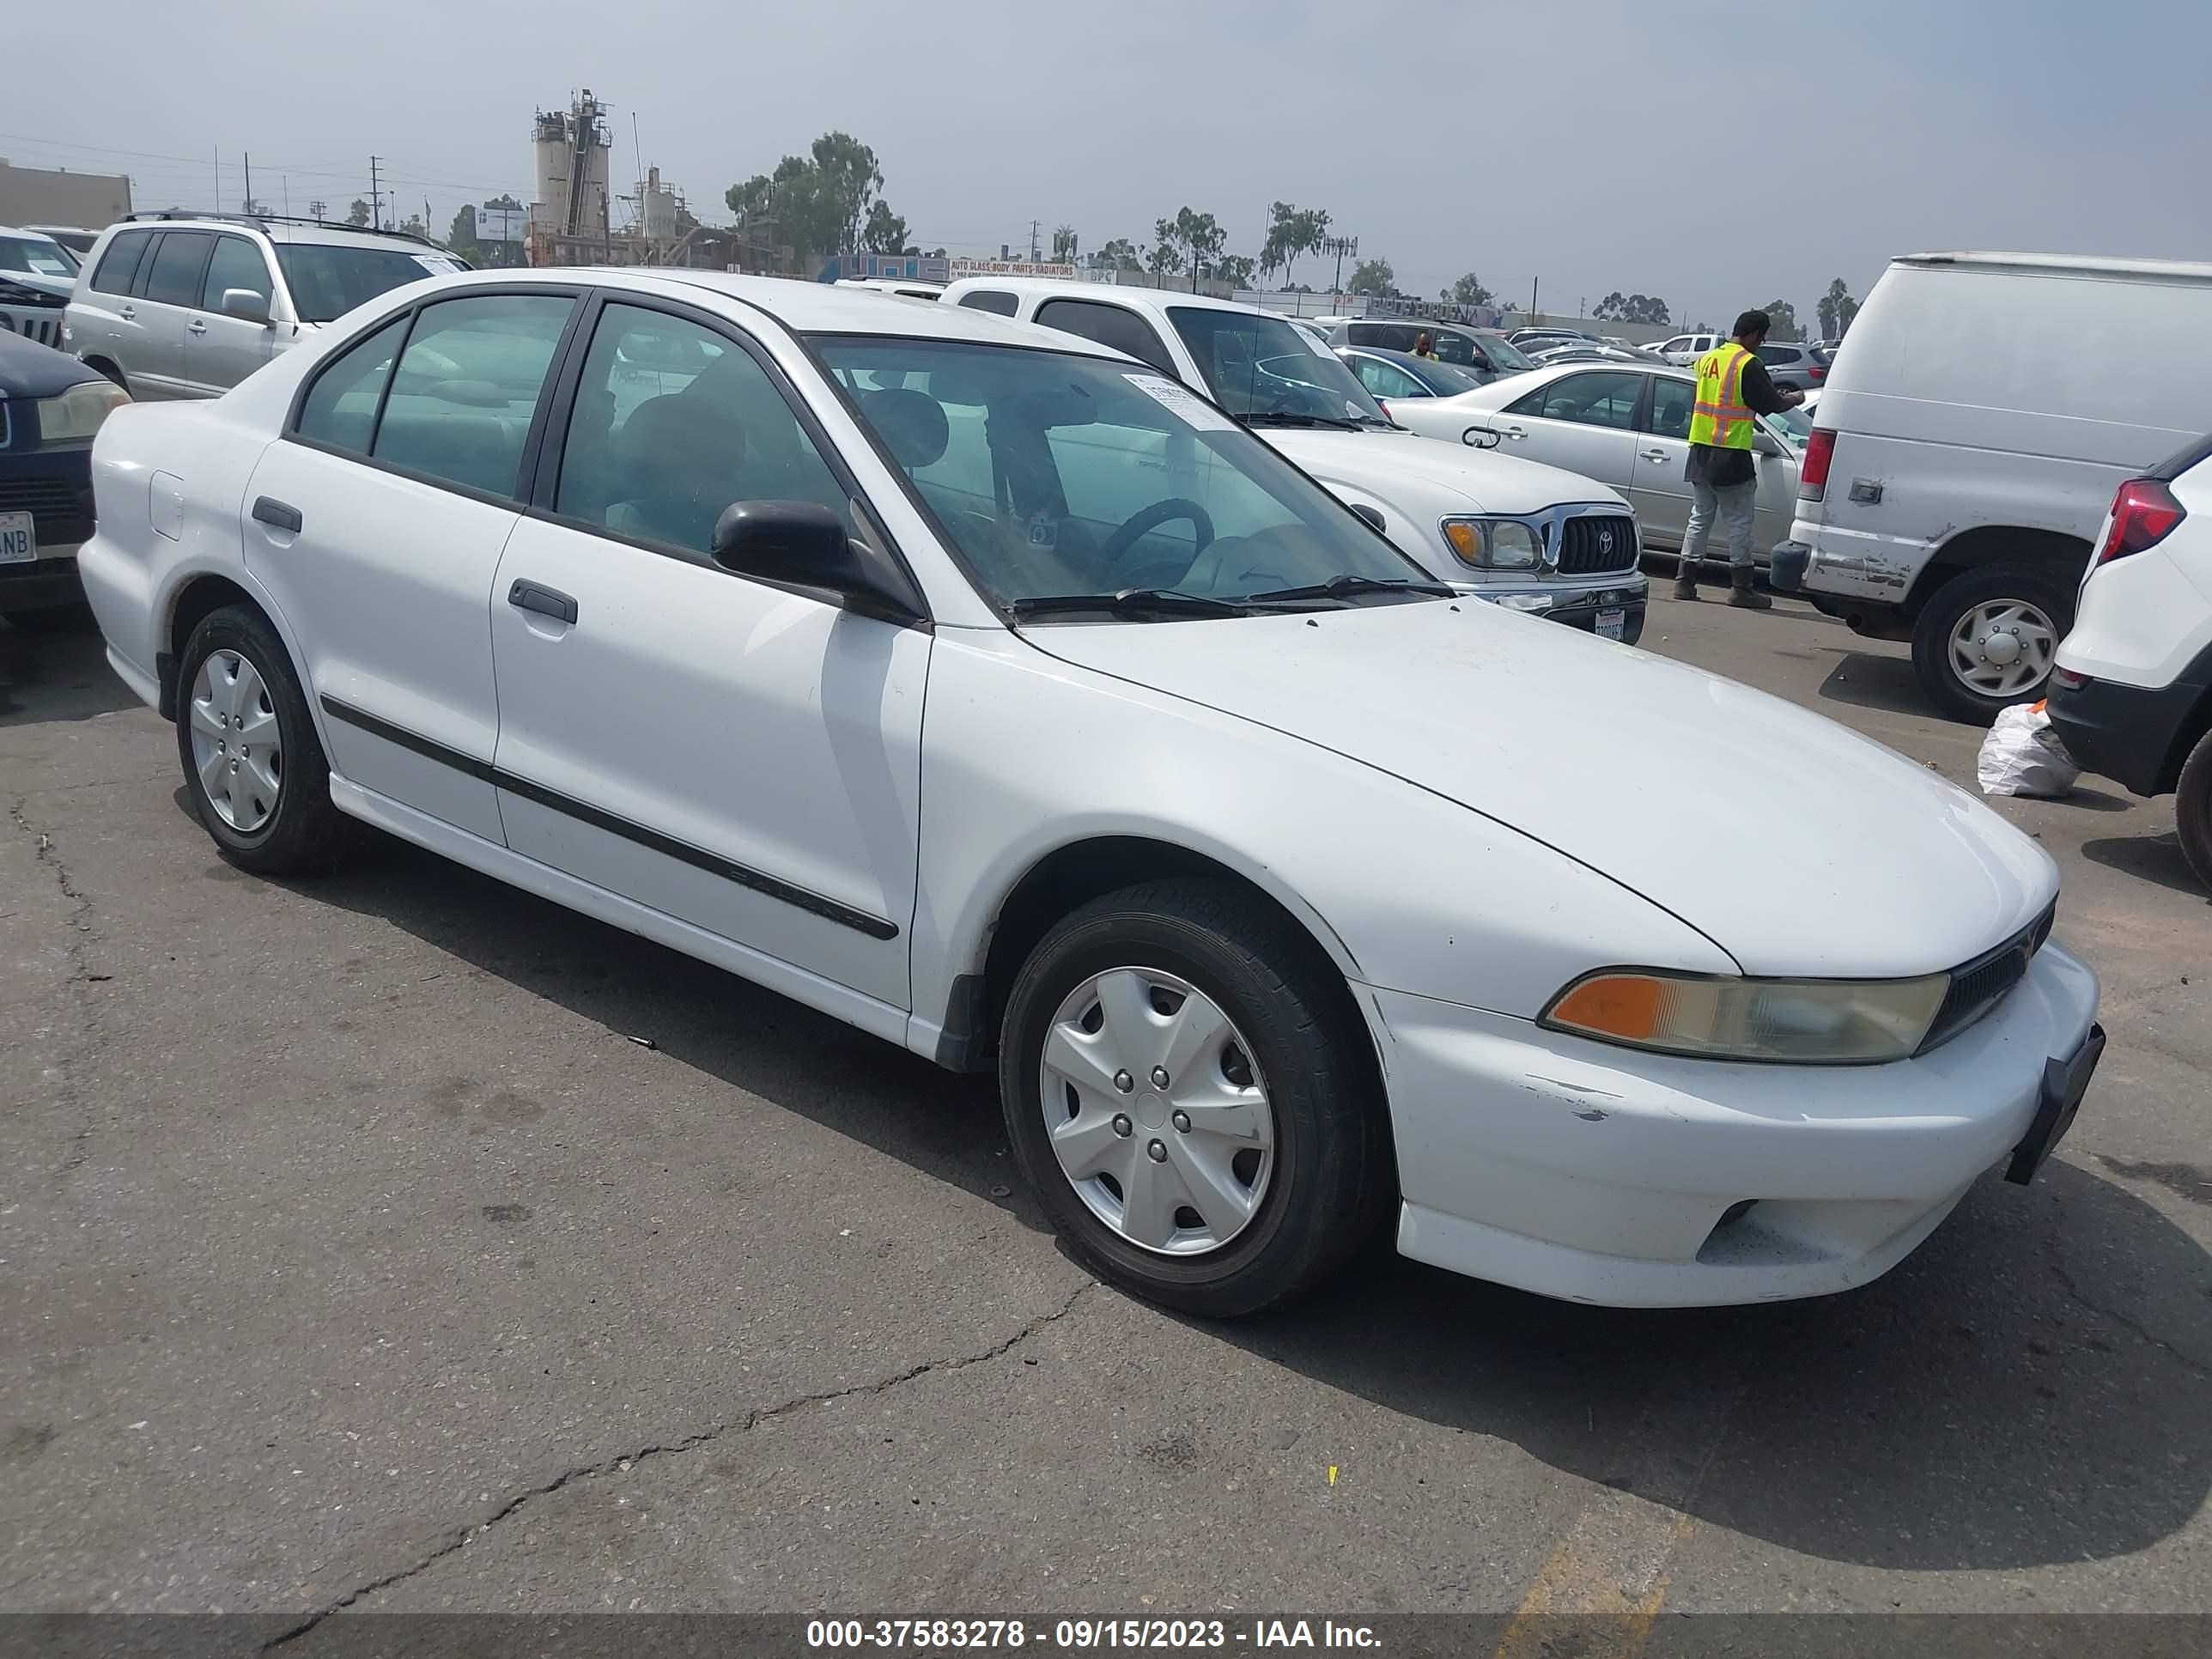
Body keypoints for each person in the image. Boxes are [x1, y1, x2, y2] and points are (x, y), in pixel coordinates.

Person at [1675, 309, 1804, 608]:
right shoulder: (1747, 363)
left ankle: (1685, 581)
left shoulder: (1708, 360)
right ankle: (1741, 588)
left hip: (1700, 451)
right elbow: (1772, 403)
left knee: (1700, 518)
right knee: (1739, 522)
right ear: (1752, 334)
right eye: (1761, 337)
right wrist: (1796, 399)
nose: (1761, 342)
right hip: (1730, 455)